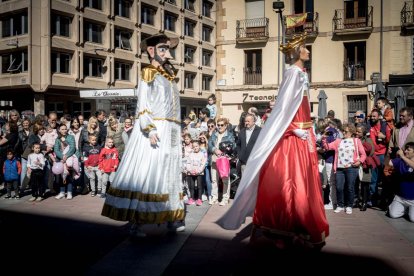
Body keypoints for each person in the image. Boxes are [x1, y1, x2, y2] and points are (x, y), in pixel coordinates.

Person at [217, 33, 329, 249]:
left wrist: (306, 128)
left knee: (304, 182)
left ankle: (301, 225)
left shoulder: (300, 74)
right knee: (291, 182)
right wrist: (293, 129)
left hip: (304, 136)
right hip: (293, 138)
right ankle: (286, 226)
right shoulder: (292, 74)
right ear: (297, 52)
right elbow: (282, 109)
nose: (307, 51)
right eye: (304, 48)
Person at [101, 33, 186, 237]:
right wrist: (150, 129)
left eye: (168, 49)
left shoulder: (169, 77)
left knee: (171, 175)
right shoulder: (148, 73)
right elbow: (143, 105)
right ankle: (138, 222)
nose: (167, 52)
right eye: (163, 48)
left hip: (172, 131)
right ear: (151, 51)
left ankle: (171, 217)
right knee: (149, 174)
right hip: (156, 129)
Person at [387, 142, 414, 222]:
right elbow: (388, 163)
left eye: (408, 150)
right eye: (405, 149)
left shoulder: (403, 158)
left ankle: (409, 210)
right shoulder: (400, 161)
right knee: (393, 215)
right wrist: (388, 155)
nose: (405, 151)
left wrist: (402, 156)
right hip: (401, 197)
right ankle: (405, 210)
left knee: (413, 219)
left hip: (413, 199)